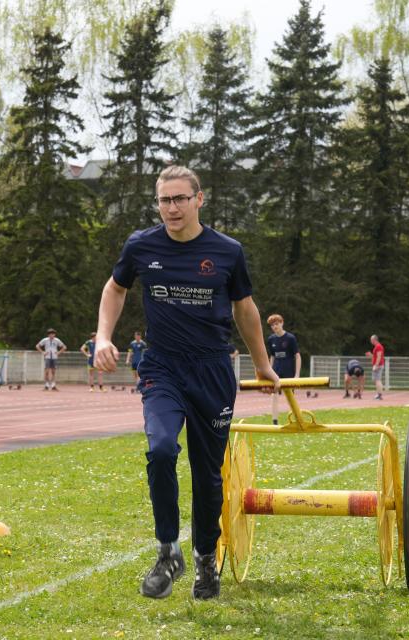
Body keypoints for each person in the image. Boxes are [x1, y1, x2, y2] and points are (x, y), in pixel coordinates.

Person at [92, 165, 280, 601]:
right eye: (164, 200)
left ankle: (205, 559)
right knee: (160, 449)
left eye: (180, 198)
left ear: (199, 199)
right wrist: (103, 336)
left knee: (207, 474)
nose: (172, 208)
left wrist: (262, 364)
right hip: (162, 368)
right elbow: (115, 288)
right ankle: (167, 552)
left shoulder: (227, 251)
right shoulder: (141, 245)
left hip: (212, 371)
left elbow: (245, 309)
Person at [265, 314, 301, 425]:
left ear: (282, 323)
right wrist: (269, 372)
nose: (275, 327)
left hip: (288, 370)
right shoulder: (271, 339)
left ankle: (296, 419)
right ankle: (274, 421)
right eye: (272, 325)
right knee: (274, 394)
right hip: (276, 371)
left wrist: (297, 375)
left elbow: (297, 356)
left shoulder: (290, 338)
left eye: (276, 324)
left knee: (291, 396)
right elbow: (272, 356)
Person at [366, 335, 386, 400]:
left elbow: (379, 357)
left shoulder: (378, 346)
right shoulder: (377, 347)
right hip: (378, 365)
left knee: (377, 380)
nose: (370, 341)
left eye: (371, 340)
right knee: (376, 380)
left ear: (374, 340)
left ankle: (379, 395)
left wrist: (376, 365)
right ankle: (378, 394)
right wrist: (370, 355)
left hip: (378, 365)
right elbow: (375, 357)